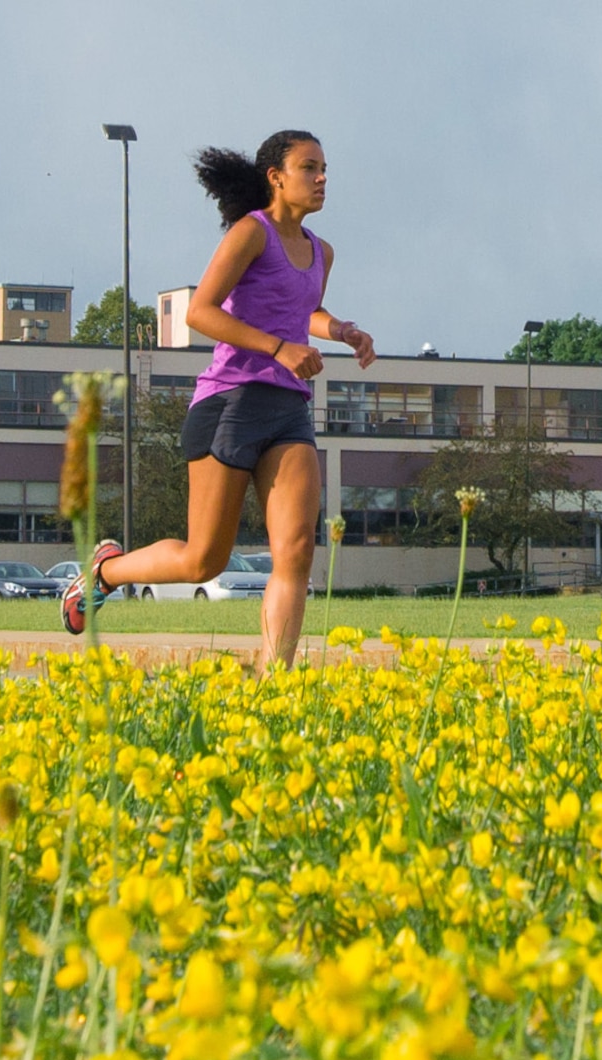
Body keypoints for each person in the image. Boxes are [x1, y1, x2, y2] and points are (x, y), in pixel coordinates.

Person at [60, 129, 374, 667]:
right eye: (309, 168)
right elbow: (201, 311)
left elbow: (301, 310)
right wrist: (279, 348)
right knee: (203, 560)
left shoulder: (321, 251)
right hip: (229, 402)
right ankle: (105, 571)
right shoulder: (251, 233)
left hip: (287, 408)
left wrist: (339, 328)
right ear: (276, 177)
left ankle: (277, 683)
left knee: (296, 550)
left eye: (325, 168)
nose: (322, 178)